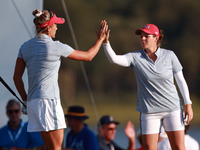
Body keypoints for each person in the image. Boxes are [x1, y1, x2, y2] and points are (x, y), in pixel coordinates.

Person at [13, 9, 107, 150]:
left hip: (33, 104)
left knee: (50, 147)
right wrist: (100, 39)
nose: (57, 27)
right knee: (57, 147)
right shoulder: (56, 46)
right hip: (49, 102)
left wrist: (25, 100)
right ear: (49, 27)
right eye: (55, 24)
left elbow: (16, 77)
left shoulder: (25, 47)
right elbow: (88, 56)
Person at [102, 23, 193, 150]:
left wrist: (188, 104)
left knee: (178, 146)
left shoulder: (170, 55)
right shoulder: (135, 57)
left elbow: (181, 81)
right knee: (149, 148)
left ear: (156, 38)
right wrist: (106, 43)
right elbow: (114, 59)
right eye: (141, 37)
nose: (143, 39)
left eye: (146, 36)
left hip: (172, 109)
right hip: (149, 112)